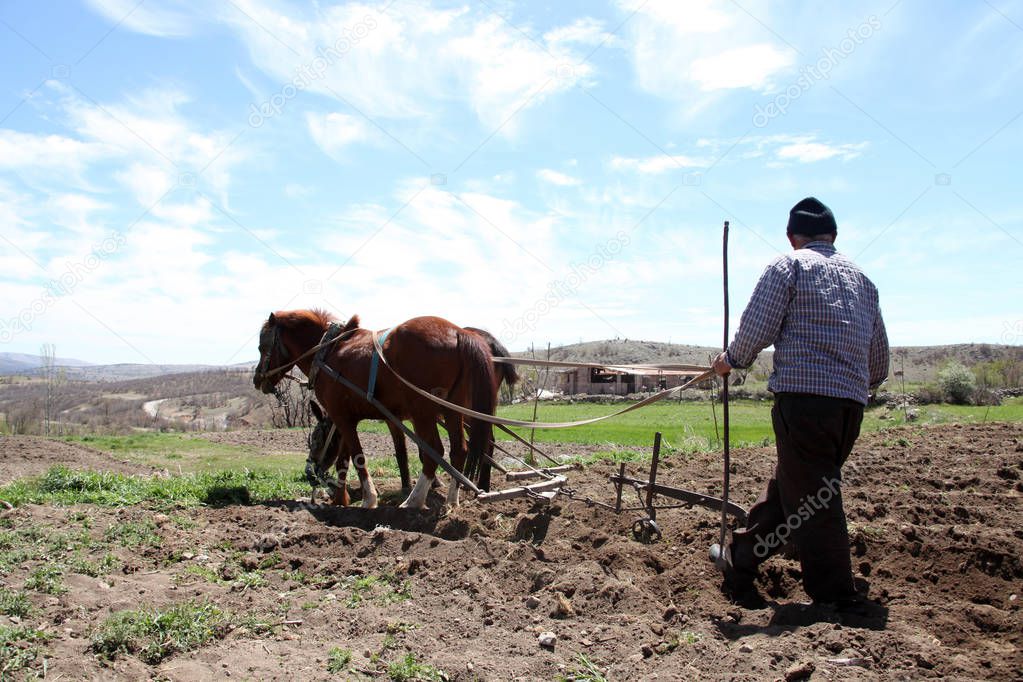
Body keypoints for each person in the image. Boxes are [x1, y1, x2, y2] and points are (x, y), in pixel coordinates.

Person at [709, 197, 889, 610]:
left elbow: (758, 325)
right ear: (834, 236)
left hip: (805, 406)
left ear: (793, 237)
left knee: (815, 500)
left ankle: (837, 598)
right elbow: (878, 357)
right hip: (849, 410)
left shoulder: (789, 266)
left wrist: (731, 361)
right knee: (798, 490)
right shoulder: (864, 280)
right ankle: (741, 560)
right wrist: (861, 387)